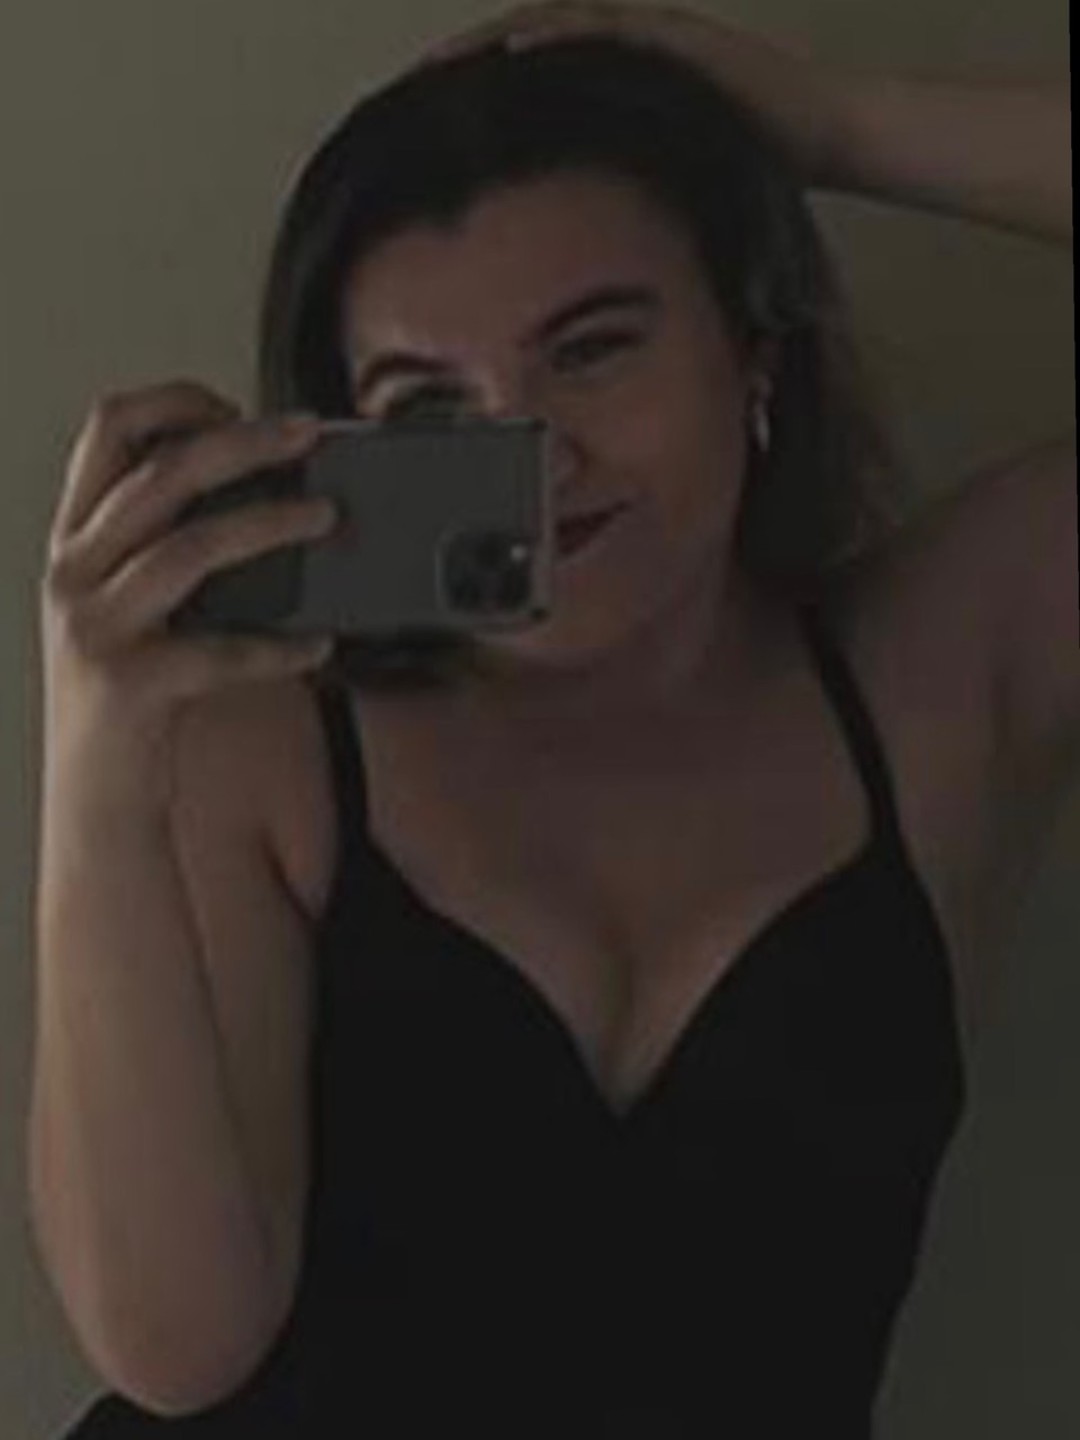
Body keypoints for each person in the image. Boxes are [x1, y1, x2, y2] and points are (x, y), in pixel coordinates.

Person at [35, 19, 1074, 1440]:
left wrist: (836, 128)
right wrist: (97, 782)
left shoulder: (936, 679)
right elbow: (178, 1347)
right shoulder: (266, 743)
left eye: (591, 351)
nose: (537, 450)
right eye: (430, 405)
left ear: (755, 355)